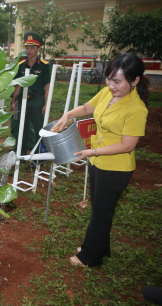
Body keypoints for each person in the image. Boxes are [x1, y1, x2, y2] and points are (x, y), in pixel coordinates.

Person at [53, 53, 149, 267]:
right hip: (98, 161)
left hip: (115, 167)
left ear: (135, 81)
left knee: (101, 212)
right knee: (99, 208)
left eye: (117, 81)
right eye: (109, 79)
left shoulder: (136, 109)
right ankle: (99, 246)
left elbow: (127, 145)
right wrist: (68, 114)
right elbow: (88, 108)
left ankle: (90, 256)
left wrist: (92, 152)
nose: (111, 85)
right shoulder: (107, 93)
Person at [10, 32, 51, 155]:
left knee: (39, 128)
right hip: (23, 100)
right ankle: (21, 155)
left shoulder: (44, 66)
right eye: (27, 47)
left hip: (38, 100)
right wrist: (14, 101)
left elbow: (47, 85)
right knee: (22, 127)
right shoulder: (21, 65)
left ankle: (38, 156)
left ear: (38, 49)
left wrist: (46, 104)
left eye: (32, 47)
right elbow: (18, 85)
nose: (29, 50)